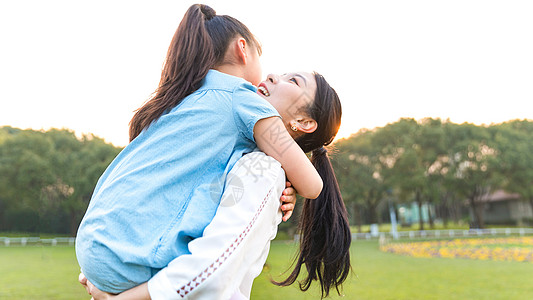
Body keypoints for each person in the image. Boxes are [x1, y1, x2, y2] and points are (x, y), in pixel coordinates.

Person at [76, 3, 324, 297]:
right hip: (130, 265)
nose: (270, 75)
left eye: (291, 80)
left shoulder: (183, 95)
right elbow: (313, 184)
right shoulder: (244, 99)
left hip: (96, 246)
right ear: (242, 49)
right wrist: (292, 179)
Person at [80, 70, 351, 299]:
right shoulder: (233, 155)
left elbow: (210, 268)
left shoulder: (262, 170)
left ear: (304, 122)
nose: (272, 76)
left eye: (293, 82)